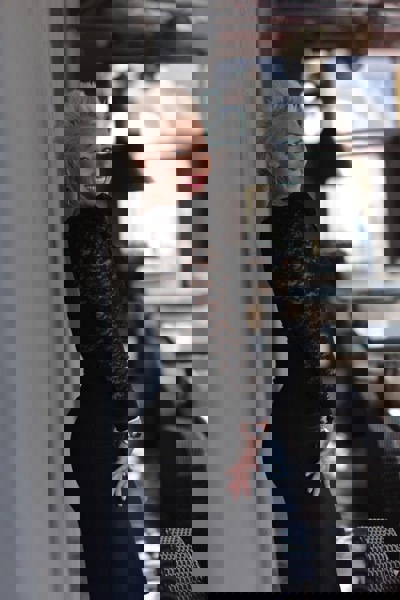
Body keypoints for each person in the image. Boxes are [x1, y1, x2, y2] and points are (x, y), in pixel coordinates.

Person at [225, 67, 341, 590]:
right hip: (297, 400)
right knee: (305, 527)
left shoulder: (291, 217)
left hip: (295, 399)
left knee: (303, 527)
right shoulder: (291, 218)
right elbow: (296, 290)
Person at [61, 88, 147, 599]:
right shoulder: (93, 234)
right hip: (103, 411)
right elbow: (102, 322)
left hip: (105, 412)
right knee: (114, 548)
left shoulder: (99, 234)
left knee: (116, 549)